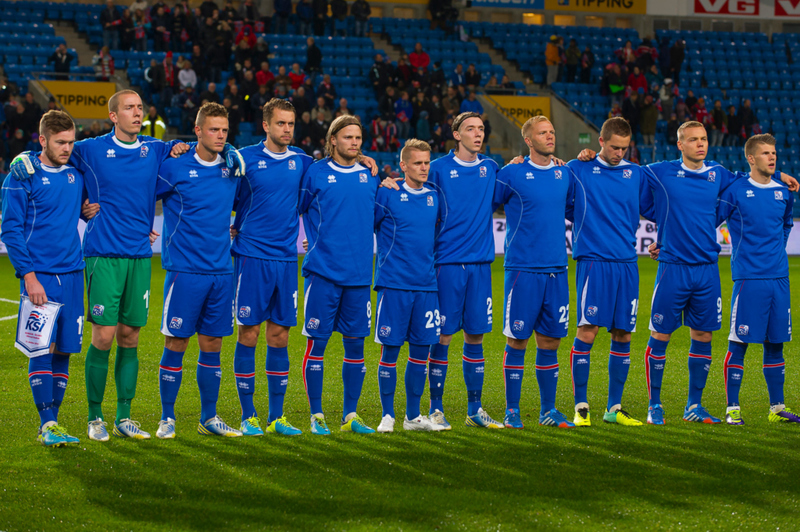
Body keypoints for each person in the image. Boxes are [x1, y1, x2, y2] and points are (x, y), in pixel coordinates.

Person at [7, 91, 244, 441]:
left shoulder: (157, 149)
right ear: (113, 115)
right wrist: (22, 157)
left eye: (140, 108)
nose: (138, 113)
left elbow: (193, 151)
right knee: (102, 336)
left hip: (139, 256)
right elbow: (53, 153)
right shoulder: (90, 150)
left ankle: (124, 416)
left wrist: (228, 149)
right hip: (103, 254)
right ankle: (94, 418)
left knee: (130, 336)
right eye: (130, 108)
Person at [638, 122, 796, 425]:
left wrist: (778, 175)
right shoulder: (659, 170)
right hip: (673, 266)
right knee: (660, 334)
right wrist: (588, 157)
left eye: (704, 139)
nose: (701, 144)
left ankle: (693, 406)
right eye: (693, 140)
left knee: (703, 335)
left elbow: (749, 178)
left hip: (707, 269)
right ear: (680, 144)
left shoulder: (718, 174)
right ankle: (654, 406)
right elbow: (629, 180)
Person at [154, 102, 243, 439]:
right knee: (175, 342)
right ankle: (167, 418)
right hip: (185, 271)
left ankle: (209, 417)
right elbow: (140, 193)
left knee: (212, 345)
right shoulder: (174, 167)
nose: (220, 136)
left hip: (222, 271)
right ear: (198, 131)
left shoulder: (233, 166)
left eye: (224, 130)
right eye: (213, 130)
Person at [229, 99, 313, 436]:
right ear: (266, 125)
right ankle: (248, 416)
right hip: (251, 257)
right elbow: (224, 195)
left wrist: (367, 161)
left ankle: (277, 417)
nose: (287, 129)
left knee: (279, 335)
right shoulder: (245, 159)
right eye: (281, 123)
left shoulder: (304, 162)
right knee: (248, 332)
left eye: (291, 123)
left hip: (285, 260)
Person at [2, 111, 86, 446]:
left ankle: (55, 423)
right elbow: (11, 230)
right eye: (60, 142)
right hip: (41, 277)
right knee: (41, 349)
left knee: (64, 350)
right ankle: (47, 423)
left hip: (74, 274)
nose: (67, 148)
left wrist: (85, 209)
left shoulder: (76, 172)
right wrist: (29, 276)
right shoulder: (22, 175)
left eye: (70, 142)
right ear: (42, 140)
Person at [493, 116, 575, 429]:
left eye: (552, 131)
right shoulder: (511, 173)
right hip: (522, 269)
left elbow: (573, 208)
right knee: (517, 340)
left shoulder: (563, 173)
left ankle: (548, 410)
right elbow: (488, 203)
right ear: (529, 141)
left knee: (550, 342)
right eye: (543, 133)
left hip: (557, 268)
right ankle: (512, 411)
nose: (550, 136)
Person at [298, 115, 379, 435]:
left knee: (355, 347)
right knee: (316, 344)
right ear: (332, 140)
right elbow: (296, 207)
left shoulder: (371, 175)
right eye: (347, 137)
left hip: (359, 276)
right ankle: (316, 415)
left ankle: (351, 415)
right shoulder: (314, 173)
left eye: (358, 138)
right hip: (323, 273)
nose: (354, 143)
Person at [564, 117, 647, 427]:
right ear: (600, 141)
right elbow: (560, 200)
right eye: (614, 147)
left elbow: (661, 206)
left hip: (627, 263)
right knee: (588, 330)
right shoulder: (579, 168)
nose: (619, 153)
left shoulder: (636, 173)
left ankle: (614, 407)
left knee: (623, 333)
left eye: (625, 148)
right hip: (594, 262)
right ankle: (581, 406)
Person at [426, 112, 502, 430]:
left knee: (475, 335)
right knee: (442, 335)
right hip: (447, 264)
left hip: (480, 266)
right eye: (470, 129)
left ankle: (474, 409)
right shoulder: (439, 169)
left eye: (481, 129)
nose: (477, 133)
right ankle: (435, 409)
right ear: (456, 135)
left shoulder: (491, 168)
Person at [717, 134, 800, 425]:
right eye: (765, 153)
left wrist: (774, 250)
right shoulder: (735, 191)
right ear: (751, 158)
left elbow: (786, 223)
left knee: (776, 343)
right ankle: (732, 408)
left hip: (779, 278)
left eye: (774, 152)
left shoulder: (783, 190)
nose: (772, 157)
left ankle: (777, 408)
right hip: (749, 279)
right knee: (739, 342)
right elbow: (710, 221)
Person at [373, 139, 444, 433]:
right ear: (403, 166)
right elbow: (364, 224)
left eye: (427, 162)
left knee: (420, 352)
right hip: (394, 284)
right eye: (417, 163)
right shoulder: (387, 193)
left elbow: (435, 234)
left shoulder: (434, 197)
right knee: (390, 350)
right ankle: (387, 415)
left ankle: (413, 417)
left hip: (426, 286)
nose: (424, 168)